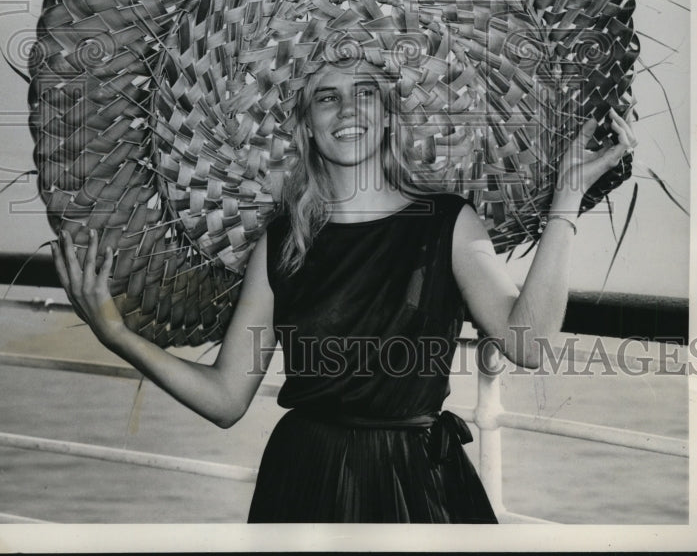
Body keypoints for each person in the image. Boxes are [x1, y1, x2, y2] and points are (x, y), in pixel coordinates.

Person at [52, 58, 636, 524]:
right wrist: (116, 333)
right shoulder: (281, 241)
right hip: (307, 479)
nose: (347, 108)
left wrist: (567, 197)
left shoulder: (447, 222)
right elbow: (228, 398)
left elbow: (529, 343)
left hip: (419, 485)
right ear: (306, 122)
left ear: (387, 116)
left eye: (365, 92)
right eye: (326, 96)